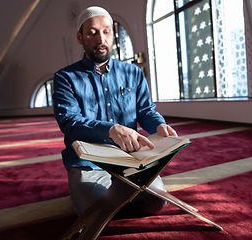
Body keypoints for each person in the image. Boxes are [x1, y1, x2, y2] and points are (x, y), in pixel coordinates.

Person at [53, 6, 177, 216]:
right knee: (95, 211)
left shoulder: (133, 73)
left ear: (113, 34)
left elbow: (146, 111)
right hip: (89, 162)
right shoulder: (65, 78)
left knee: (156, 202)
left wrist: (159, 124)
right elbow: (69, 121)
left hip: (130, 158)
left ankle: (122, 197)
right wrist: (111, 130)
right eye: (92, 32)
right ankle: (115, 198)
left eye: (106, 31)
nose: (101, 38)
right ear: (80, 37)